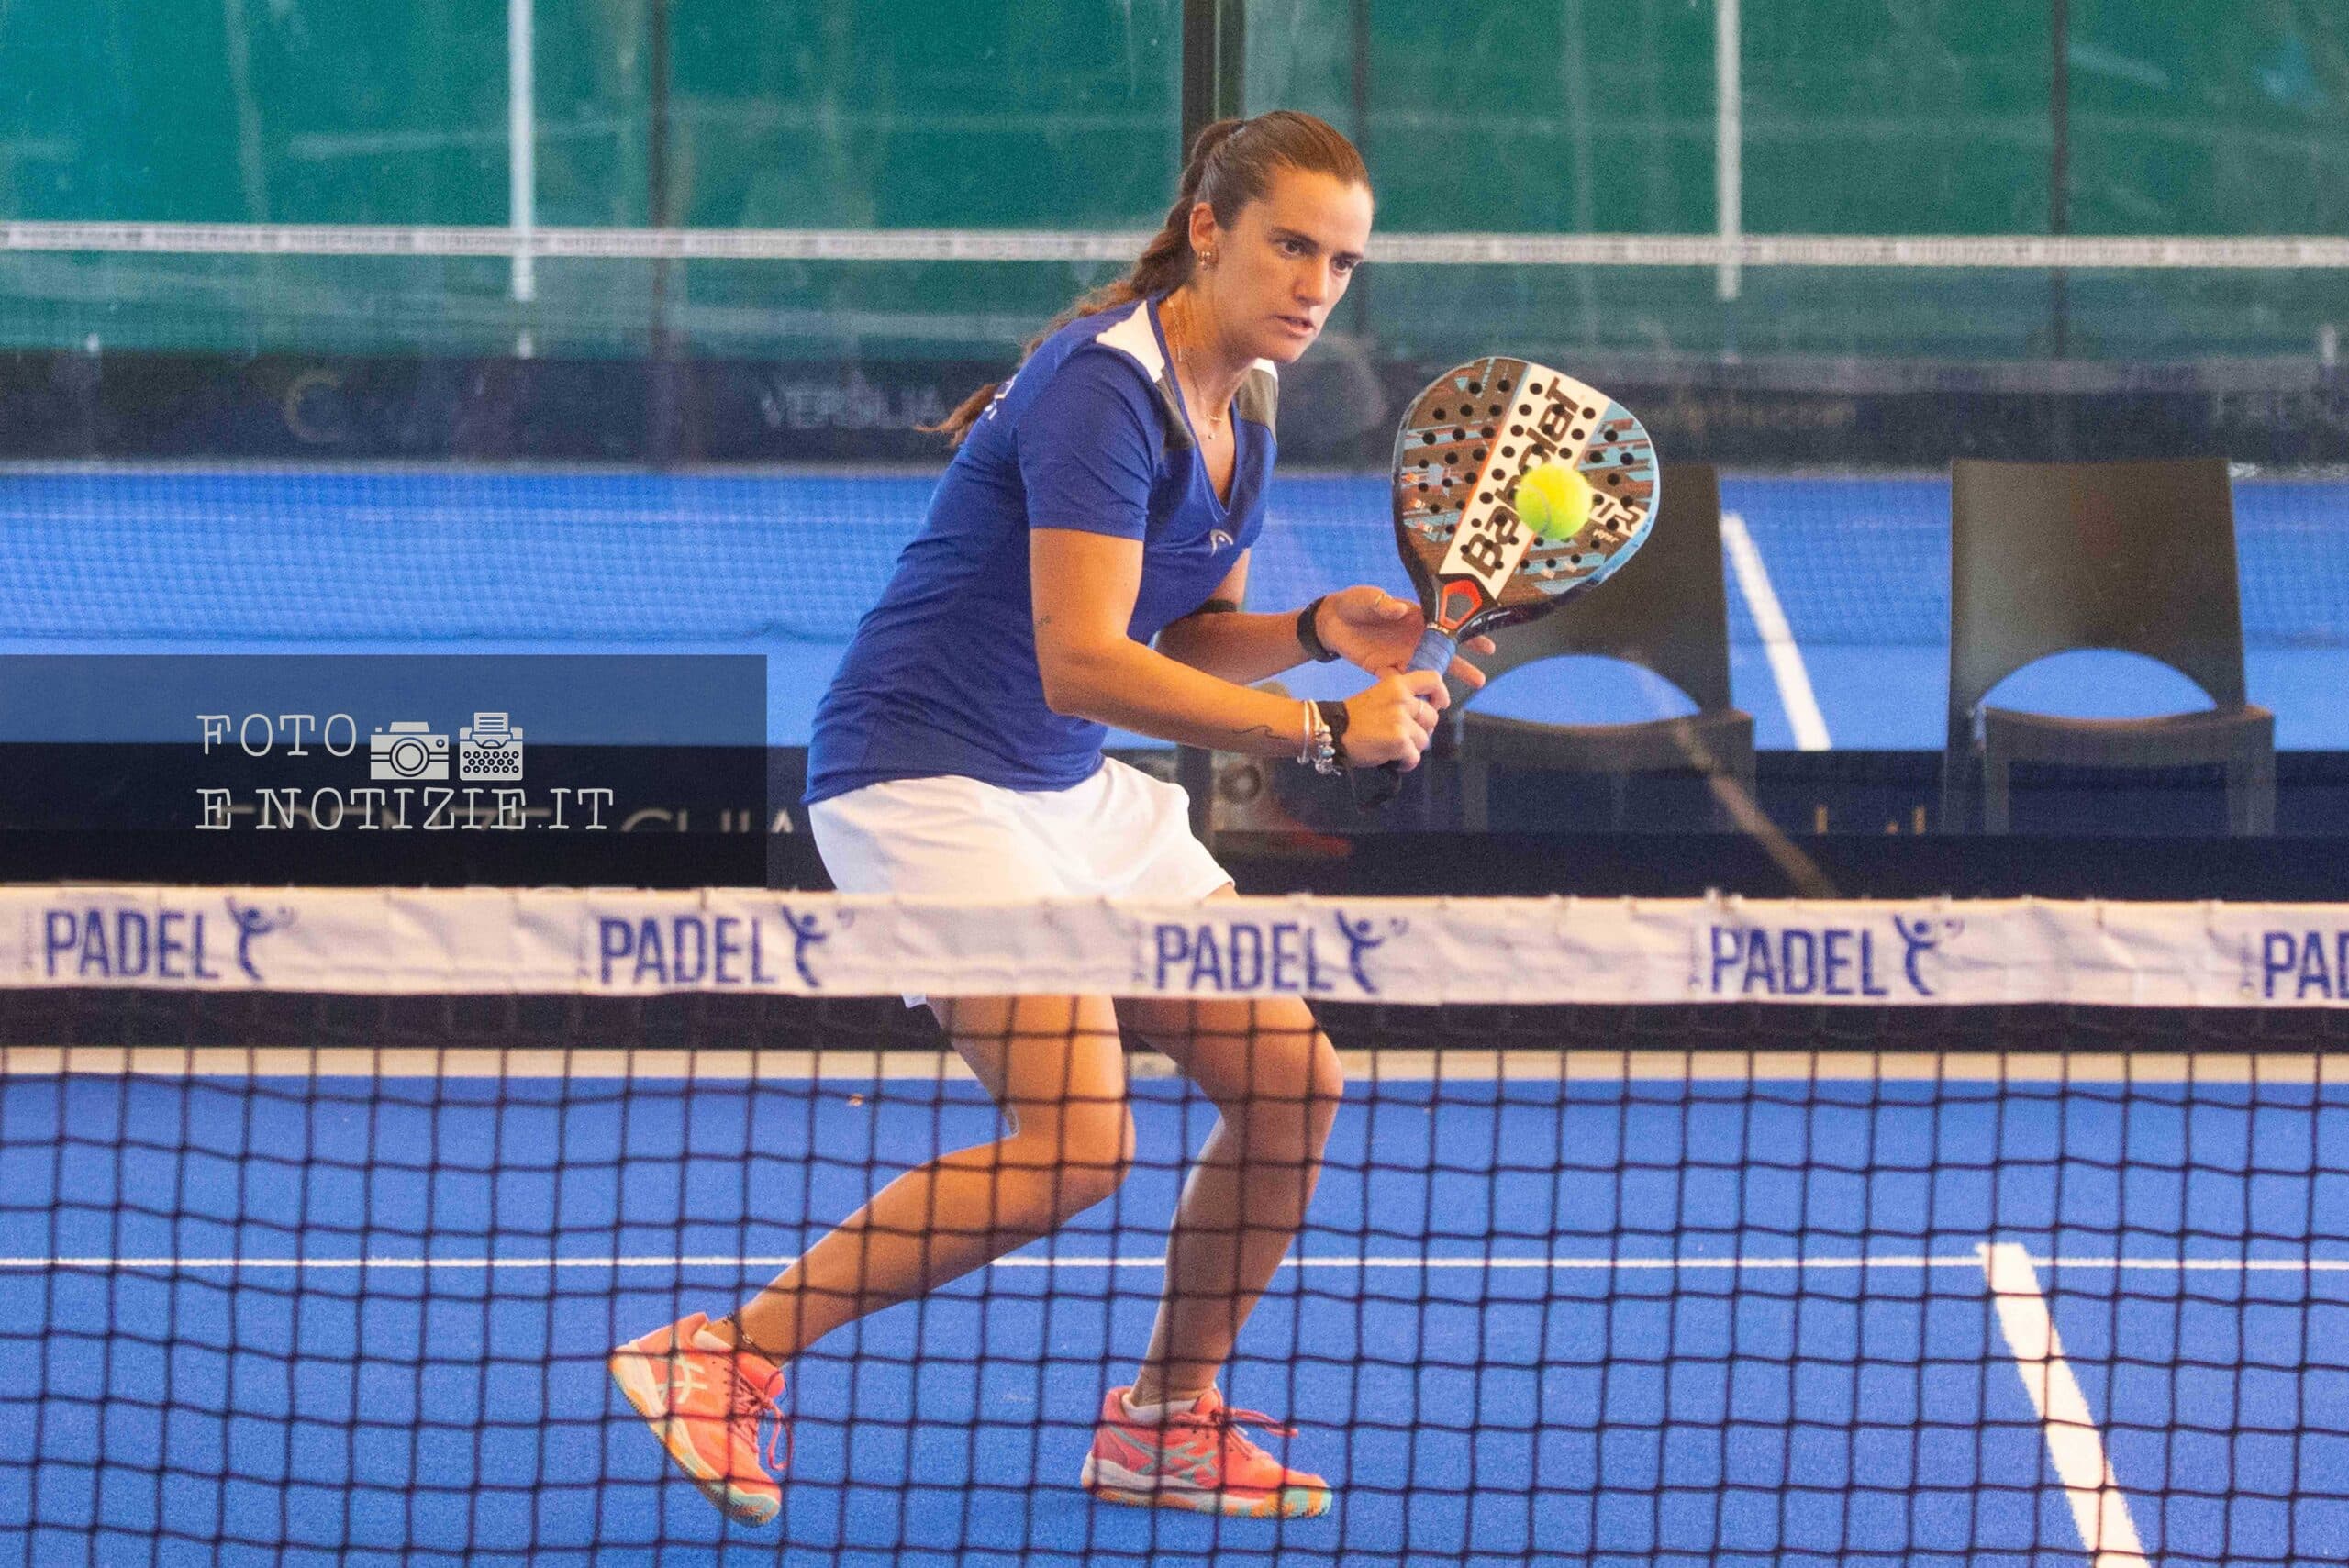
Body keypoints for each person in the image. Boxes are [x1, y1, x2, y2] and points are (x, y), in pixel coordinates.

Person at [610, 109, 1490, 1527]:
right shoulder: (1102, 389)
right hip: (922, 774)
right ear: (1207, 230)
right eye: (1290, 246)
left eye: (1340, 261)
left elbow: (1182, 637)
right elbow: (1084, 657)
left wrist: (1323, 630)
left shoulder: (1248, 407)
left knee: (1293, 1083)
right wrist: (1327, 729)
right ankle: (723, 1351)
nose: (1317, 285)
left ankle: (1164, 1423)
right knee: (1079, 1138)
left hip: (1064, 786)